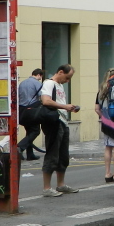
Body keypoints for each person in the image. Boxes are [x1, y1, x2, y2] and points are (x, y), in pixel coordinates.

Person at [39, 64, 81, 197]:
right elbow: (46, 101)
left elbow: (59, 103)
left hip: (63, 122)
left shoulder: (60, 85)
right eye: (67, 77)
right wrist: (65, 106)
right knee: (52, 154)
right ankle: (47, 187)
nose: (67, 81)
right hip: (54, 122)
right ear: (61, 72)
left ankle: (61, 184)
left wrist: (68, 108)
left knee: (63, 155)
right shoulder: (49, 83)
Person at [95, 68, 114, 184]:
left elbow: (96, 108)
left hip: (106, 122)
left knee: (107, 147)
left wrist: (104, 117)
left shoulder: (101, 90)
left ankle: (107, 173)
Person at [17, 68, 45, 161]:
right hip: (32, 110)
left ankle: (30, 154)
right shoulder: (37, 83)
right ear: (39, 75)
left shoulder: (22, 83)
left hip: (22, 110)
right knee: (35, 131)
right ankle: (20, 147)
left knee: (29, 132)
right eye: (40, 77)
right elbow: (42, 96)